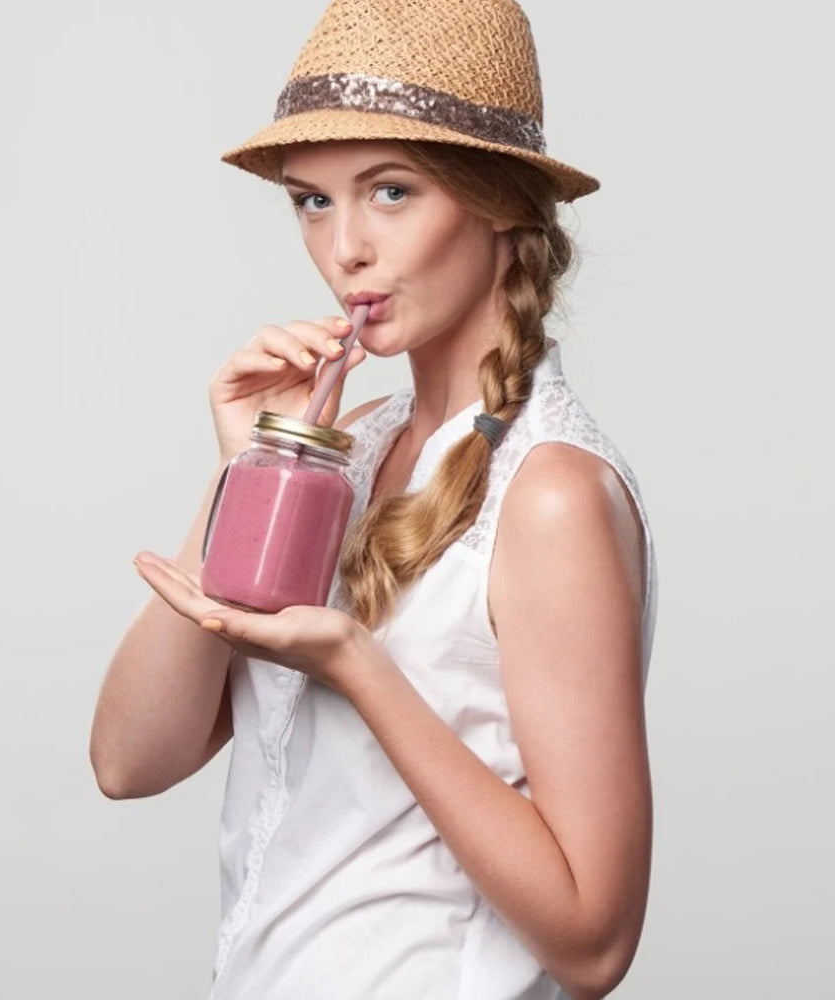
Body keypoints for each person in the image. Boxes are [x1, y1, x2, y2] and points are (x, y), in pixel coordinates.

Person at [89, 1, 659, 998]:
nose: (343, 246)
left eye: (390, 191)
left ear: (498, 202)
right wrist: (246, 469)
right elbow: (129, 761)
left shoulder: (549, 494)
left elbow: (593, 943)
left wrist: (357, 665)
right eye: (311, 201)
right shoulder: (345, 454)